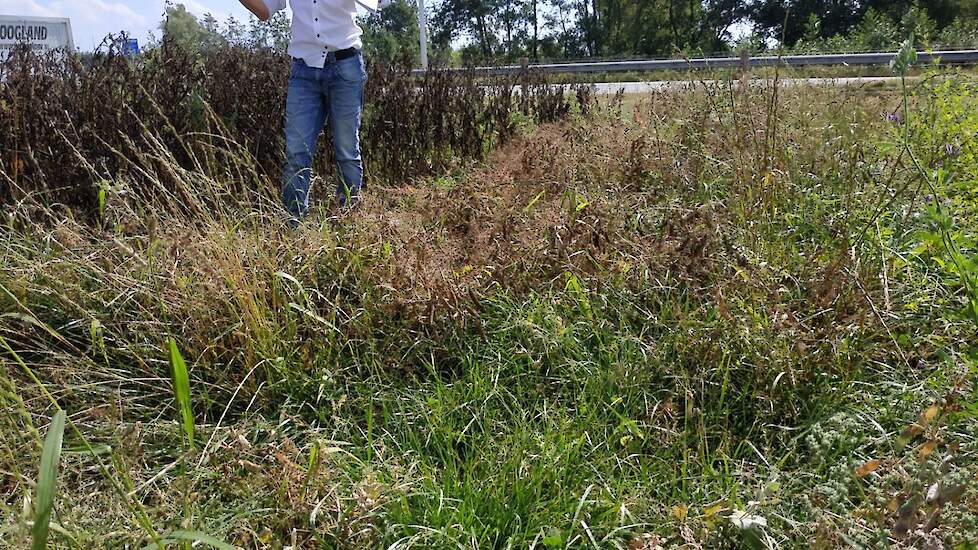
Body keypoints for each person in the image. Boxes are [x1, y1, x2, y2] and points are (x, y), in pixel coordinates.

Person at [238, 0, 390, 223]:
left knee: (347, 150)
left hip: (345, 64)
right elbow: (264, 10)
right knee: (296, 153)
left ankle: (348, 224)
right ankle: (294, 228)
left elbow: (381, 2)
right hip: (303, 71)